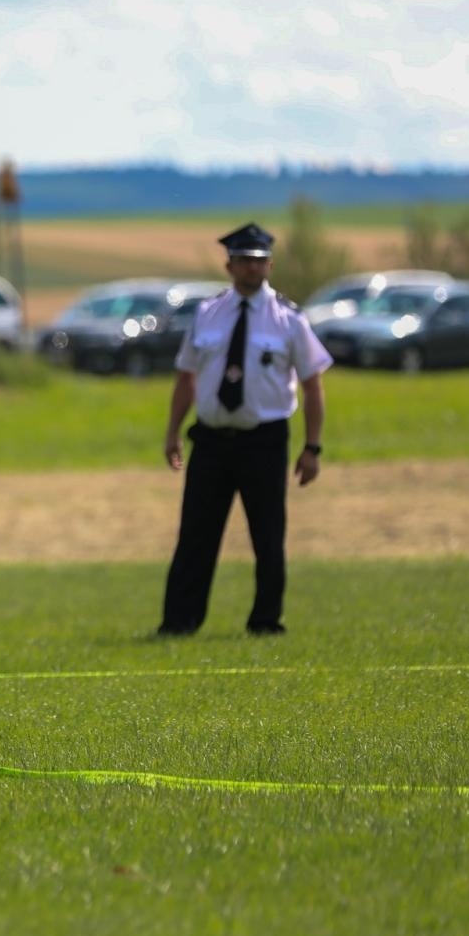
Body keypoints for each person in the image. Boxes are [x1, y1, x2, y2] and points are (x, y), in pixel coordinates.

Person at [158, 222, 333, 637]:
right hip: (211, 440)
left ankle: (266, 620)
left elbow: (313, 386)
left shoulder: (288, 319)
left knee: (267, 535)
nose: (251, 268)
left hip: (264, 441)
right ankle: (179, 622)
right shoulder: (207, 314)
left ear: (269, 265)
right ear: (229, 266)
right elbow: (186, 377)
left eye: (258, 260)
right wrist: (172, 431)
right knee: (196, 534)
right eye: (243, 260)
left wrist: (312, 448)